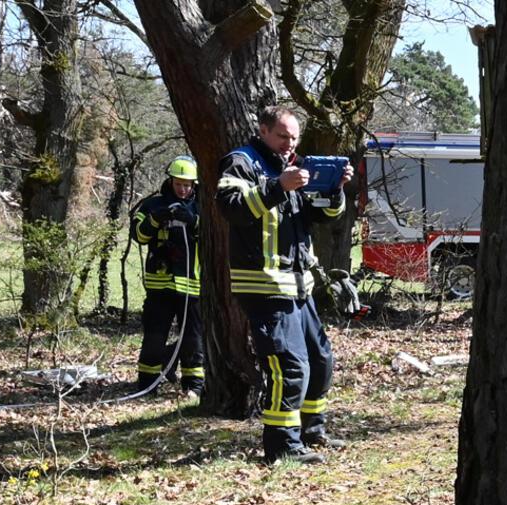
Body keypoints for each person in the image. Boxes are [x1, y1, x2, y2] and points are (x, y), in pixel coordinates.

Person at [216, 104, 351, 465]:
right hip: (263, 284)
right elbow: (230, 207)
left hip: (298, 285)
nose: (288, 144)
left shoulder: (296, 164)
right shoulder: (241, 162)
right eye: (281, 137)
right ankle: (282, 447)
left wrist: (334, 190)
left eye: (293, 138)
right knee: (289, 365)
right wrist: (278, 187)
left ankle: (312, 431)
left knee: (321, 360)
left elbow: (322, 217)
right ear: (262, 130)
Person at [128, 156, 203, 394]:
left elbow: (215, 235)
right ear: (170, 181)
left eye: (187, 185)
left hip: (192, 284)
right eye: (179, 184)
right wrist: (154, 220)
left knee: (192, 339)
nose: (183, 189)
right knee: (154, 336)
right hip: (159, 285)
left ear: (194, 185)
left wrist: (193, 222)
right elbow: (139, 236)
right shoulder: (152, 205)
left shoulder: (201, 207)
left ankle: (193, 386)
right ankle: (147, 386)